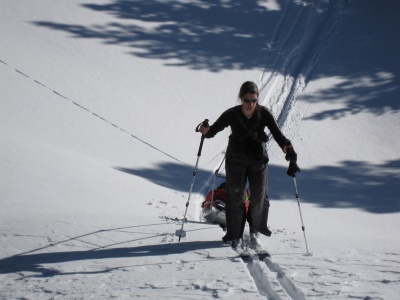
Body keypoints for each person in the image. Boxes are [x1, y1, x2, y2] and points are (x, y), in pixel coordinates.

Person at [199, 81, 300, 250]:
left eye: (254, 100)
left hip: (257, 160)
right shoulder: (232, 114)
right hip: (236, 160)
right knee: (236, 197)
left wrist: (290, 153)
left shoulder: (264, 114)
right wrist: (205, 130)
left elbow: (278, 136)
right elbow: (212, 132)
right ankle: (235, 235)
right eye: (247, 100)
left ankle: (255, 231)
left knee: (259, 196)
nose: (251, 104)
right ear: (241, 98)